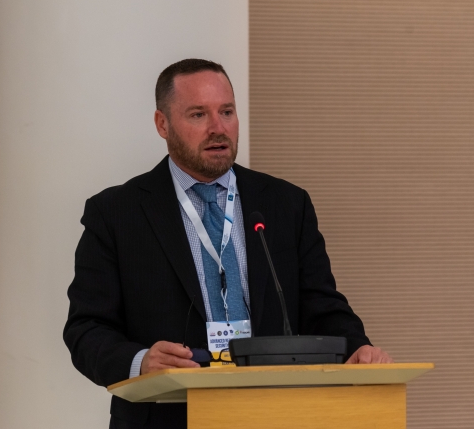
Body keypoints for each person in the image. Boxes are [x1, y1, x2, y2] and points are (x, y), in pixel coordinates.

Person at [63, 58, 392, 429]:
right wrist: (140, 362)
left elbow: (322, 305)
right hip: (166, 417)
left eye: (227, 112)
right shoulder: (117, 213)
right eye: (198, 114)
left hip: (275, 414)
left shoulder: (285, 204)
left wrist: (358, 347)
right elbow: (86, 328)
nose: (218, 128)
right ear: (162, 124)